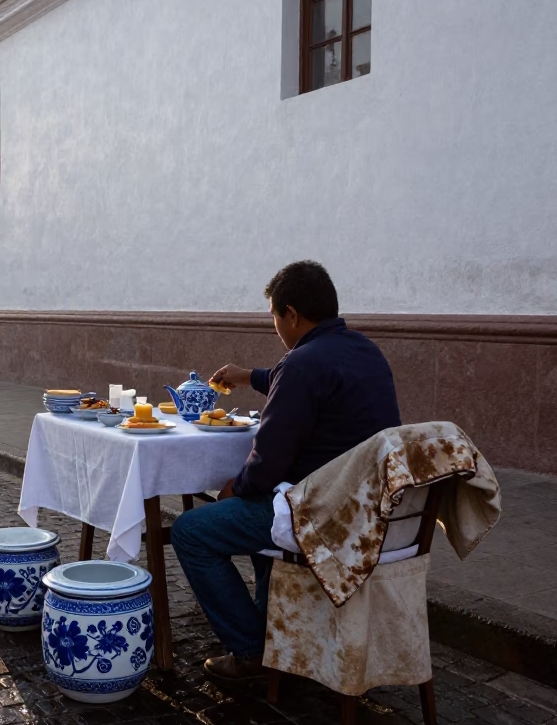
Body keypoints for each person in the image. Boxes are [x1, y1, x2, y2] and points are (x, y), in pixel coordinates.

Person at [170, 260, 402, 683]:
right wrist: (250, 376)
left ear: (291, 314)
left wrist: (233, 488)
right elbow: (304, 381)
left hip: (320, 515)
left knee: (191, 530)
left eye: (275, 318)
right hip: (371, 512)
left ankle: (250, 650)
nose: (276, 328)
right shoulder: (366, 351)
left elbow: (267, 464)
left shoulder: (301, 364)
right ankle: (278, 635)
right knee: (261, 507)